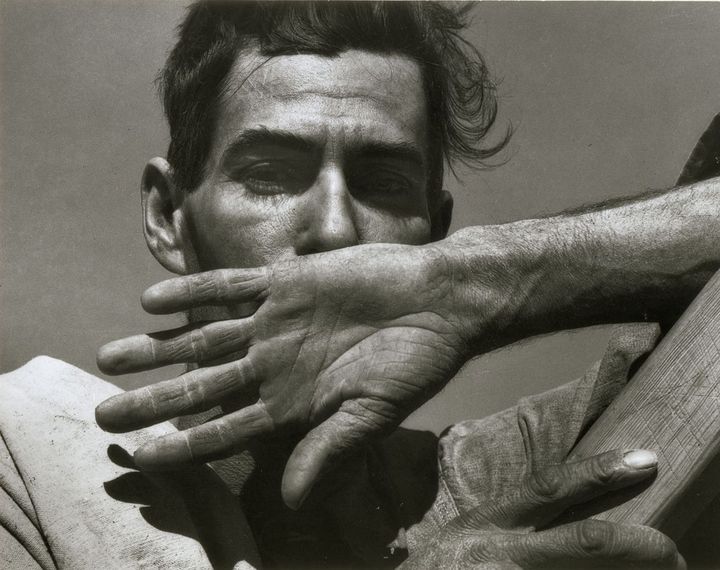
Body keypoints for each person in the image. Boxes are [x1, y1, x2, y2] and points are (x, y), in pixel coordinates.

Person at [2, 1, 718, 568]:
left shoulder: (519, 474)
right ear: (167, 215)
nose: (337, 231)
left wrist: (481, 278)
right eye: (269, 176)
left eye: (384, 183)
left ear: (436, 233)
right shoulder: (35, 466)